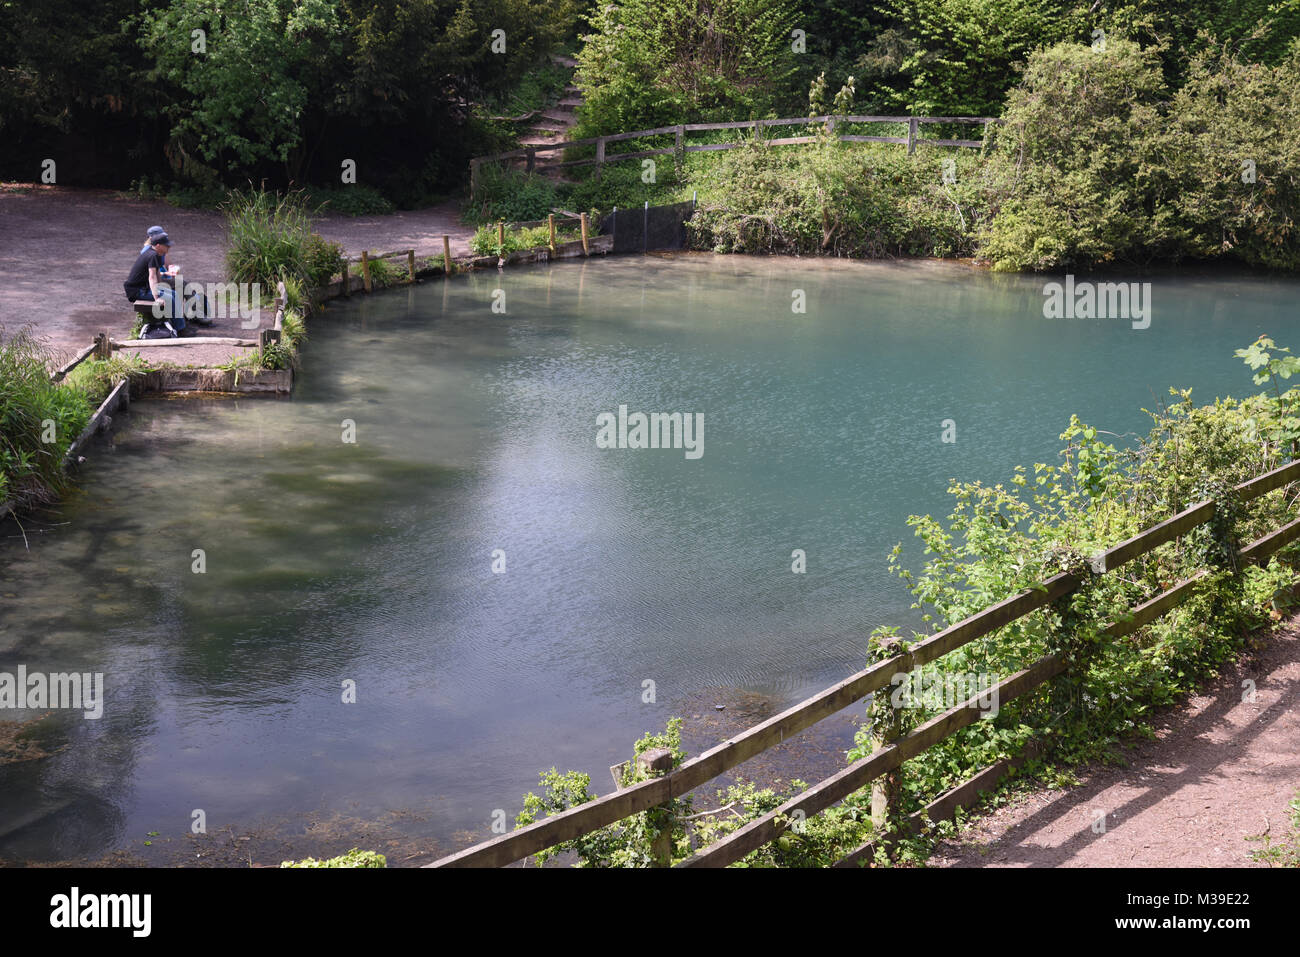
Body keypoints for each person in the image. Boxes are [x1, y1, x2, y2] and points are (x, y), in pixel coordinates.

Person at [124, 234, 190, 335]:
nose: (169, 247)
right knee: (170, 298)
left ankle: (180, 326)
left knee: (174, 294)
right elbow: (152, 277)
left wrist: (161, 288)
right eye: (166, 245)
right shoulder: (152, 255)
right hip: (137, 291)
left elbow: (157, 273)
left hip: (145, 288)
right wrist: (157, 297)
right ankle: (180, 331)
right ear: (158, 245)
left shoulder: (156, 254)